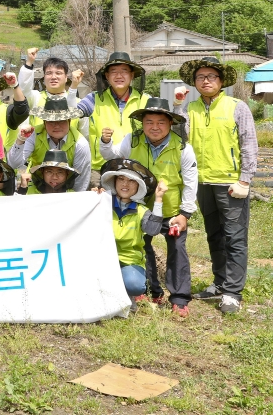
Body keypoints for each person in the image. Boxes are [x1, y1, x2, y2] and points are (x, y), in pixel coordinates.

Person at [99, 97, 197, 316]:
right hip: (139, 207)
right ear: (142, 123)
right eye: (149, 122)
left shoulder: (182, 147)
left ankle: (180, 298)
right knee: (143, 247)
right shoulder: (132, 140)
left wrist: (185, 213)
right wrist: (105, 142)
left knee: (177, 250)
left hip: (171, 210)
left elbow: (191, 182)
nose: (154, 127)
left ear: (170, 124)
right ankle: (152, 290)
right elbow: (113, 156)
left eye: (161, 122)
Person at [176, 56, 258, 314]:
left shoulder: (237, 106)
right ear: (195, 82)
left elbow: (249, 144)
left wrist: (245, 178)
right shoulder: (190, 108)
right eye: (201, 77)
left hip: (230, 182)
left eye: (211, 76)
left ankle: (233, 292)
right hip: (202, 182)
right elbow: (180, 136)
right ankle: (220, 282)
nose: (206, 81)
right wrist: (177, 105)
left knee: (234, 237)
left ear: (221, 81)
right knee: (214, 235)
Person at [98, 158, 167, 311]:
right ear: (114, 182)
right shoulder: (102, 203)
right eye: (121, 179)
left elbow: (153, 230)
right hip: (102, 258)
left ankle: (128, 296)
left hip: (130, 260)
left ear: (138, 187)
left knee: (135, 285)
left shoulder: (142, 211)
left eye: (131, 181)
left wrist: (159, 199)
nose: (125, 184)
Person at [74, 52, 150, 184]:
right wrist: (73, 87)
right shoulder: (94, 98)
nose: (119, 76)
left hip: (135, 168)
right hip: (100, 169)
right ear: (107, 76)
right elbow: (73, 114)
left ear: (132, 75)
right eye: (114, 71)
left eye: (124, 71)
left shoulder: (146, 100)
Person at [8, 95, 91, 192]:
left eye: (61, 121)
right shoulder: (33, 135)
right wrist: (20, 140)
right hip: (36, 186)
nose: (56, 126)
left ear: (69, 121)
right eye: (51, 121)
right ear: (44, 122)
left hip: (67, 190)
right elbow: (14, 164)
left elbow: (81, 180)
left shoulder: (80, 143)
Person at [18, 48, 80, 132]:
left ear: (66, 77)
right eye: (49, 73)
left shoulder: (78, 103)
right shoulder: (36, 97)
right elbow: (23, 90)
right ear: (44, 78)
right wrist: (29, 62)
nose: (53, 77)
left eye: (58, 73)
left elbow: (84, 133)